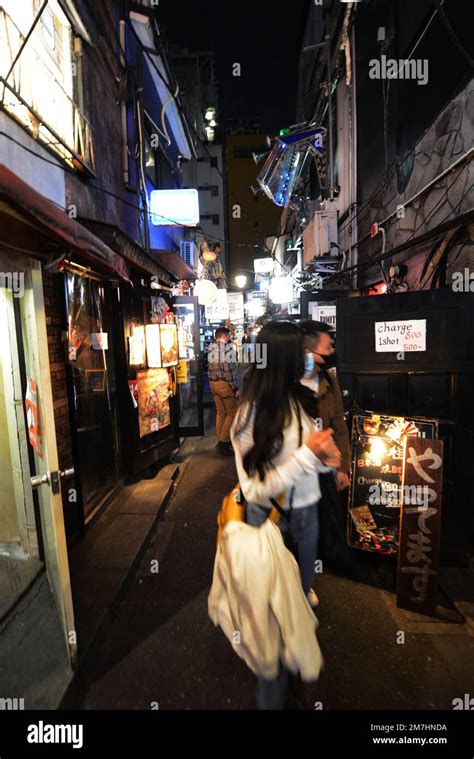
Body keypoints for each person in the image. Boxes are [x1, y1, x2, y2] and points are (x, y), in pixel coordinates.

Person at [230, 320, 341, 709]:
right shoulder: (247, 418)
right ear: (283, 358)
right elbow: (255, 489)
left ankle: (290, 685)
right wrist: (310, 456)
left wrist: (327, 461)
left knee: (296, 610)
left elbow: (311, 456)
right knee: (274, 628)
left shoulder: (297, 402)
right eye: (301, 351)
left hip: (307, 517)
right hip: (269, 524)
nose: (310, 357)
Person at [300, 319, 352, 573]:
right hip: (295, 474)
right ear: (308, 352)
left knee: (324, 520)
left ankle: (319, 564)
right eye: (328, 348)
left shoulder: (329, 382)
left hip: (325, 469)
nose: (332, 353)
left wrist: (343, 467)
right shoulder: (287, 385)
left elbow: (339, 425)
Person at [208, 327, 239, 456]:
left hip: (213, 383)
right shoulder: (226, 350)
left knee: (221, 412)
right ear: (225, 336)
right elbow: (229, 371)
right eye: (228, 336)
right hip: (224, 384)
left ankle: (221, 439)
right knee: (232, 412)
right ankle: (224, 442)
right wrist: (235, 387)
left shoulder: (211, 349)